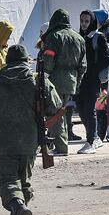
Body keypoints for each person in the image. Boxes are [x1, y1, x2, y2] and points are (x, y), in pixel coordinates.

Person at [0, 44, 61, 215]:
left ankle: (18, 209)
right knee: (24, 182)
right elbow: (55, 106)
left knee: (7, 181)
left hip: (4, 141)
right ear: (25, 61)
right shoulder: (37, 80)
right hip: (30, 141)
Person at [37, 9, 86, 156]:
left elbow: (48, 60)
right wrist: (77, 83)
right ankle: (56, 144)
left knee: (55, 114)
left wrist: (42, 79)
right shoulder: (79, 38)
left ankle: (61, 146)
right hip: (71, 80)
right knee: (62, 113)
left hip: (54, 80)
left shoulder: (54, 37)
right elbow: (83, 65)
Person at [75, 10, 109, 154]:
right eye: (82, 21)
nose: (84, 24)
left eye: (86, 21)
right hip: (81, 79)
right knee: (81, 108)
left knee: (92, 109)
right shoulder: (80, 36)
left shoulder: (98, 37)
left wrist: (92, 69)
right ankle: (95, 137)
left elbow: (107, 58)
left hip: (94, 80)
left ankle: (91, 140)